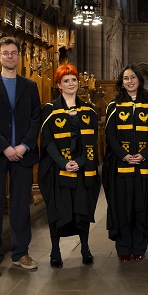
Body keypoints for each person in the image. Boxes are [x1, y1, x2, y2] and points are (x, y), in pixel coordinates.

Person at [0, 36, 41, 278]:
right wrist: (5, 147)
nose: (10, 56)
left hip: (23, 154)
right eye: (6, 53)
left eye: (14, 52)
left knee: (21, 205)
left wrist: (24, 145)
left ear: (19, 55)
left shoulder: (30, 86)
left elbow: (36, 118)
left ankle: (20, 252)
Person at [38, 63, 100, 268]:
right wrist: (64, 163)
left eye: (73, 79)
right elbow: (47, 142)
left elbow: (92, 142)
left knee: (81, 210)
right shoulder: (49, 110)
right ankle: (55, 251)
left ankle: (85, 248)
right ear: (59, 85)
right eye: (66, 80)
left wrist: (80, 162)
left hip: (82, 169)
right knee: (58, 211)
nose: (71, 83)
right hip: (58, 170)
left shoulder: (88, 110)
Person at [103, 65, 148, 262]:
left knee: (142, 207)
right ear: (122, 82)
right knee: (123, 207)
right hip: (121, 166)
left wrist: (144, 154)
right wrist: (124, 155)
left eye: (133, 77)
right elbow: (110, 135)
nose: (130, 81)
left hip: (145, 166)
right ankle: (124, 248)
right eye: (126, 78)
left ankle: (139, 247)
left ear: (139, 80)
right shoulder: (114, 105)